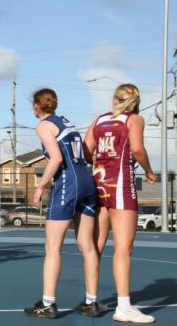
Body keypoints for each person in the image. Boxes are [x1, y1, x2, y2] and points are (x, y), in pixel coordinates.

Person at [84, 84, 157, 324]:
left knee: (96, 245)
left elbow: (86, 151)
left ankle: (91, 300)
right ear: (135, 102)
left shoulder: (99, 120)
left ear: (114, 99)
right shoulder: (134, 119)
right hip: (120, 186)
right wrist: (148, 170)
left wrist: (100, 160)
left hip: (98, 184)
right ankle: (123, 306)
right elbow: (136, 148)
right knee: (123, 249)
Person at [24, 89, 99, 319]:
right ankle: (91, 302)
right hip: (87, 181)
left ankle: (48, 304)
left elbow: (56, 158)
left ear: (37, 106)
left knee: (52, 247)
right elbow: (85, 154)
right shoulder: (67, 122)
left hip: (68, 182)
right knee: (87, 245)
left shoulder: (44, 126)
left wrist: (40, 186)